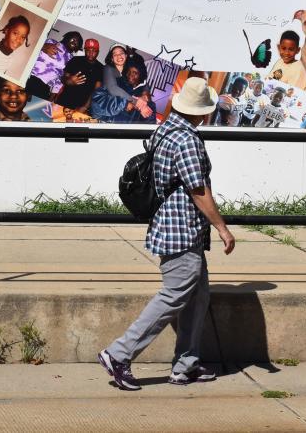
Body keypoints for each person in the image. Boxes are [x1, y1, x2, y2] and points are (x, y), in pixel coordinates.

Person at [98, 76, 235, 391]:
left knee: (197, 296)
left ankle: (186, 364)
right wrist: (222, 227)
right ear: (201, 112)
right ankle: (118, 354)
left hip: (175, 226)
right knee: (173, 295)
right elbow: (197, 189)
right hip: (181, 229)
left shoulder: (165, 129)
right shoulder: (186, 139)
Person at [56, 37, 104, 112]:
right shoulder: (75, 60)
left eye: (94, 51)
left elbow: (96, 90)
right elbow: (63, 77)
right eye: (88, 50)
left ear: (98, 52)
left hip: (81, 106)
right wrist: (68, 81)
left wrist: (85, 107)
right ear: (85, 50)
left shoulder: (101, 68)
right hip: (63, 100)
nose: (91, 53)